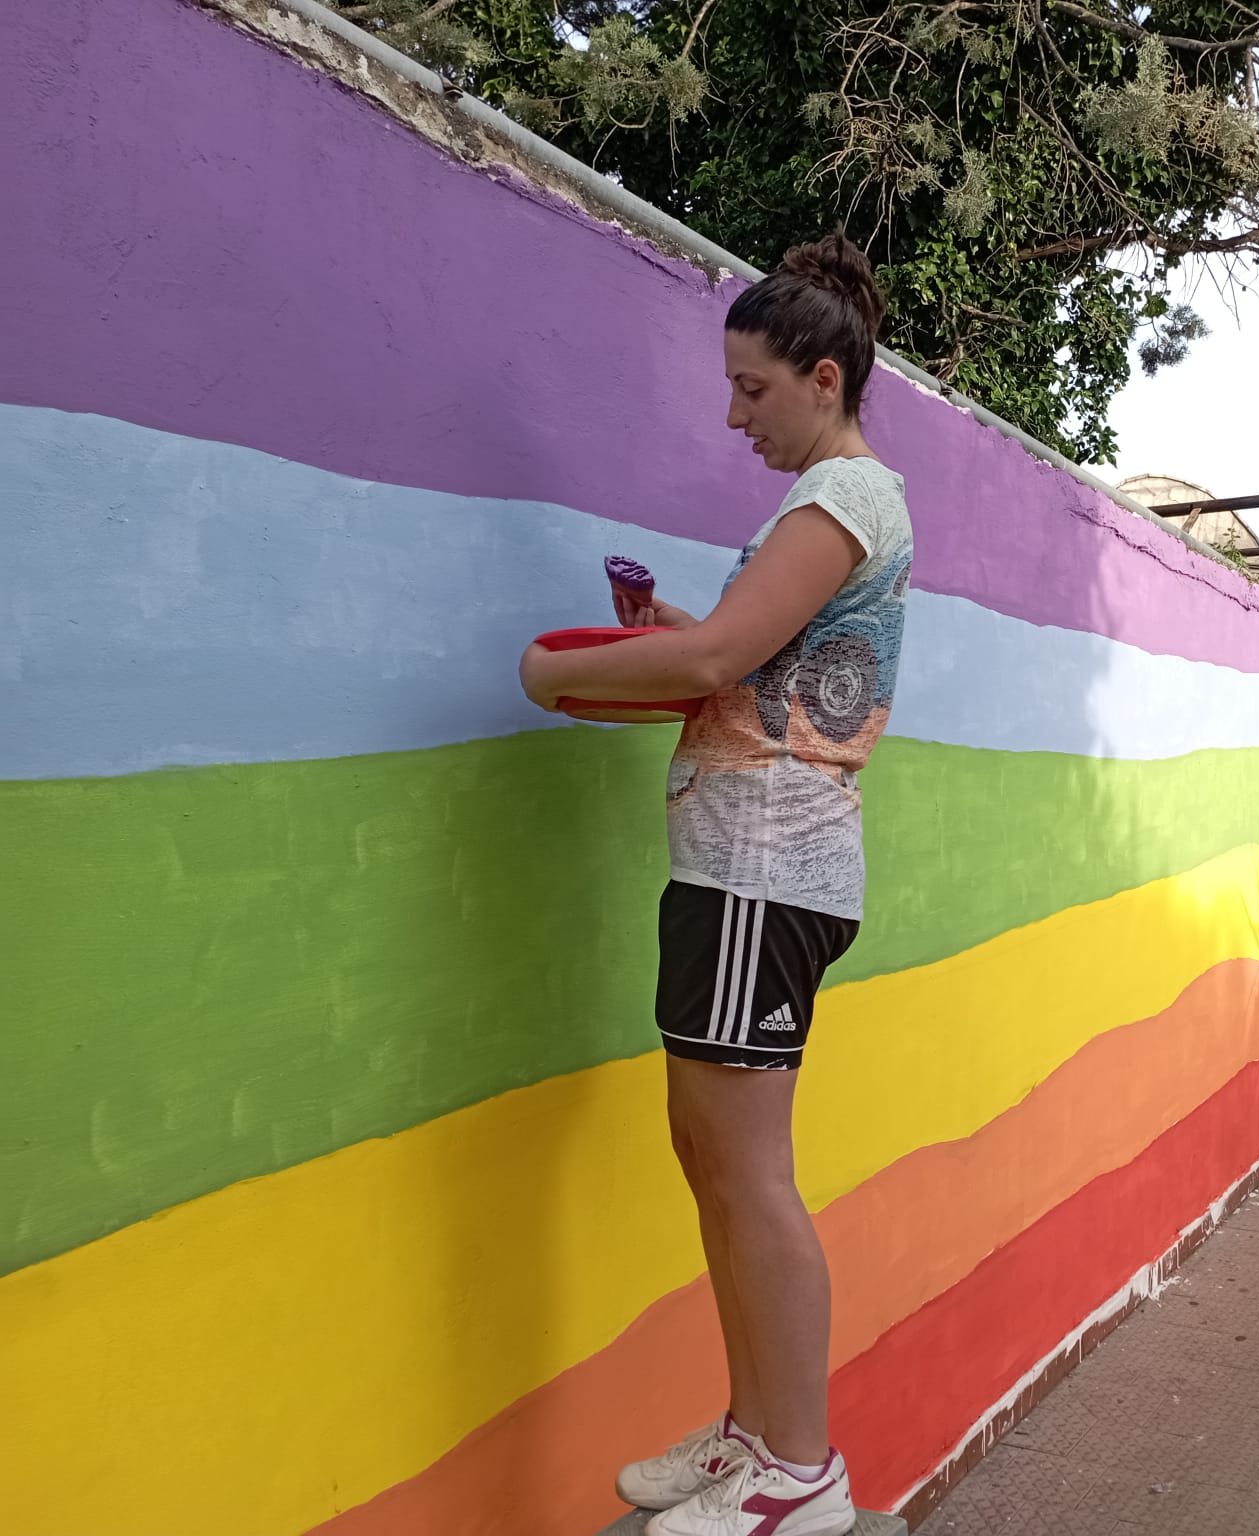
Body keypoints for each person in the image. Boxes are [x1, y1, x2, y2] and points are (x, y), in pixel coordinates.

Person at [519, 231, 910, 1536]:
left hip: (764, 867)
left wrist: (552, 672)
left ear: (822, 379)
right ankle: (754, 1435)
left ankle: (800, 1472)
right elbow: (740, 667)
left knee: (747, 1173)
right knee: (712, 1157)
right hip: (739, 865)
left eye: (752, 389)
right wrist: (675, 646)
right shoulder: (831, 505)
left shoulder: (843, 498)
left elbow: (714, 665)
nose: (735, 416)